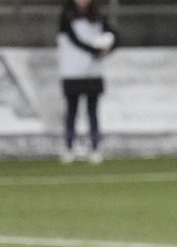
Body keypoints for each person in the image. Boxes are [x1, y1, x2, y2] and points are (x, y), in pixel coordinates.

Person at [57, 0, 117, 164]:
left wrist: (109, 48)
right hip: (72, 72)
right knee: (72, 111)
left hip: (93, 72)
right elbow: (73, 39)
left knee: (92, 111)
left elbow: (115, 36)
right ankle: (69, 147)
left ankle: (95, 147)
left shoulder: (98, 17)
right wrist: (95, 51)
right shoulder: (66, 16)